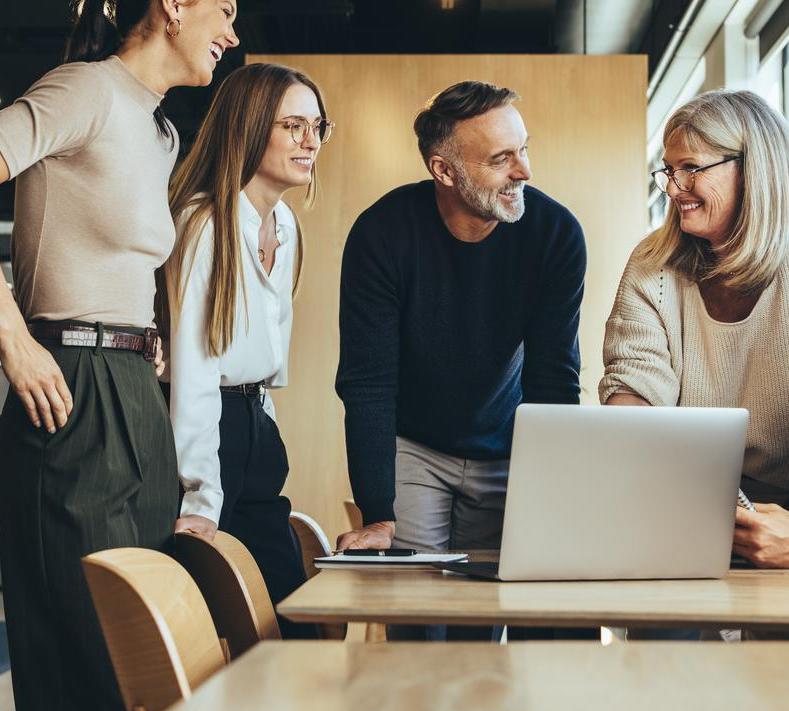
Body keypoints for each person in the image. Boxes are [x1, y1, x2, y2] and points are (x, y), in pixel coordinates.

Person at [0, 0, 238, 711]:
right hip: (67, 386)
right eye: (224, 10)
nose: (231, 34)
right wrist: (12, 339)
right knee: (84, 673)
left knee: (140, 665)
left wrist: (143, 340)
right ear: (172, 7)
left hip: (135, 391)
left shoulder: (159, 129)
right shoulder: (84, 90)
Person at [334, 81, 587, 639]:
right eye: (501, 159)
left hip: (507, 444)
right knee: (419, 626)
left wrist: (555, 495)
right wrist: (379, 512)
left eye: (524, 148)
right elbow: (369, 383)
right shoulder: (382, 233)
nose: (524, 170)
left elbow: (554, 376)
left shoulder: (556, 235)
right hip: (416, 449)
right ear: (444, 171)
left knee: (489, 624)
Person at [162, 63, 333, 639]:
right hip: (210, 432)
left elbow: (266, 357)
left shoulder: (283, 224)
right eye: (293, 125)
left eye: (317, 126)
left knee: (289, 616)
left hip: (256, 424)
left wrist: (266, 426)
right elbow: (194, 370)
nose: (310, 141)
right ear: (250, 126)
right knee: (210, 624)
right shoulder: (204, 223)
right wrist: (202, 495)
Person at [600, 90, 789, 510]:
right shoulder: (655, 263)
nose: (672, 187)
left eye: (690, 168)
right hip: (684, 495)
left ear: (752, 169)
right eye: (669, 170)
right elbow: (634, 384)